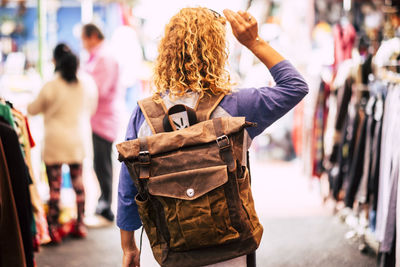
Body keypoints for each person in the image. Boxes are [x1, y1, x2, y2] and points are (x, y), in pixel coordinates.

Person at [117, 8, 309, 267]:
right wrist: (254, 42)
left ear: (168, 52)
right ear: (217, 51)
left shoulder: (143, 115)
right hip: (230, 247)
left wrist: (128, 247)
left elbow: (129, 186)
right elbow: (295, 86)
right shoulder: (238, 106)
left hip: (173, 247)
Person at [28, 43, 97, 243]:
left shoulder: (50, 86)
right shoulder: (87, 84)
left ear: (56, 61)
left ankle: (54, 229)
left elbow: (33, 109)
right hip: (77, 140)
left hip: (54, 142)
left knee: (55, 188)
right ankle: (81, 224)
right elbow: (91, 108)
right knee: (78, 184)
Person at [81, 23, 120, 223]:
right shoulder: (98, 55)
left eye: (84, 38)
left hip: (104, 119)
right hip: (98, 117)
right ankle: (103, 201)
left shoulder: (104, 57)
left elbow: (99, 89)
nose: (83, 43)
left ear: (93, 36)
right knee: (99, 162)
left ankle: (107, 205)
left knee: (103, 163)